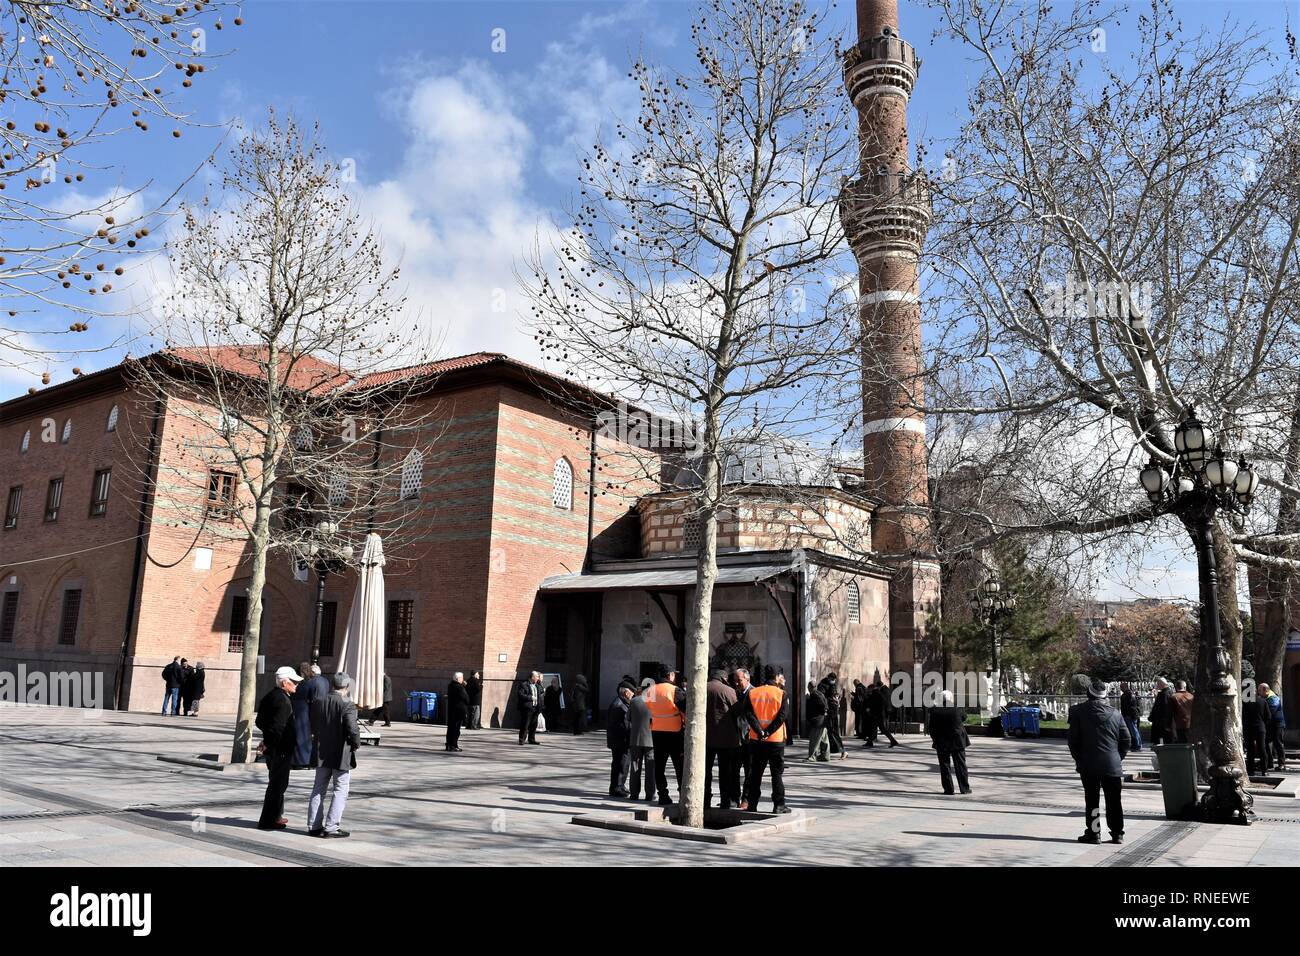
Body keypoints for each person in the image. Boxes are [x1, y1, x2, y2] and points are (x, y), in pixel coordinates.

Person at [1067, 677, 1130, 845]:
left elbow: (1073, 741)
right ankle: (1117, 833)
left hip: (1088, 765)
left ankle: (1094, 834)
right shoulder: (1116, 714)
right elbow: (1126, 740)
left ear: (1088, 693)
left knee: (1092, 800)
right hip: (1112, 764)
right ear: (1104, 696)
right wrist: (1117, 757)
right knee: (1114, 801)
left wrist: (1079, 759)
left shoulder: (1077, 712)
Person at [308, 671, 360, 838]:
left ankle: (314, 825)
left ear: (332, 685)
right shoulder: (347, 704)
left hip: (321, 751)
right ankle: (331, 826)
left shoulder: (318, 701)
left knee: (318, 788)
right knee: (340, 788)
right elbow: (352, 729)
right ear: (345, 686)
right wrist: (356, 743)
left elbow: (313, 724)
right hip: (340, 752)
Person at [737, 665, 791, 813]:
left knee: (755, 774)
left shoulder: (753, 693)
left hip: (757, 739)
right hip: (775, 740)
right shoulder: (781, 693)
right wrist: (769, 731)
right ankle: (779, 805)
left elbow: (748, 714)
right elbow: (782, 717)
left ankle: (752, 803)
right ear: (776, 677)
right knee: (776, 774)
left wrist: (760, 731)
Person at [255, 666, 302, 831]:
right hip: (280, 749)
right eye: (294, 682)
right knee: (277, 785)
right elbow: (277, 728)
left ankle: (275, 816)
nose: (296, 684)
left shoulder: (271, 696)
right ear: (284, 683)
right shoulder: (282, 700)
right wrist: (269, 741)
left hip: (276, 748)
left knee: (277, 784)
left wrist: (266, 739)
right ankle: (268, 821)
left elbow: (260, 721)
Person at [648, 668, 687, 805]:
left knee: (659, 766)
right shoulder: (675, 690)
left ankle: (663, 795)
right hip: (675, 733)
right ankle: (683, 794)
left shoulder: (651, 690)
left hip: (657, 732)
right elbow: (686, 708)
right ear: (670, 675)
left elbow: (648, 709)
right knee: (679, 766)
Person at [704, 669, 741, 808]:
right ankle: (726, 800)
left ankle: (705, 799)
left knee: (705, 771)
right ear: (723, 678)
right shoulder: (728, 690)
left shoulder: (702, 688)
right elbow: (738, 712)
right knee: (725, 772)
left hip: (706, 738)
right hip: (726, 738)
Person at [927, 689, 972, 795]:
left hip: (942, 741)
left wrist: (935, 740)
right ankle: (964, 788)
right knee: (960, 764)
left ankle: (948, 789)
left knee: (944, 765)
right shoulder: (957, 709)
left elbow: (931, 728)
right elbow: (964, 717)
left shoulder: (935, 711)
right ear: (951, 698)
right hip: (957, 741)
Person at [292, 662, 327, 769]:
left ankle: (297, 761)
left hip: (295, 709)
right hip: (305, 710)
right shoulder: (310, 683)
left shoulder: (296, 683)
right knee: (305, 735)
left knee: (297, 735)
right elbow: (312, 698)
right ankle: (306, 760)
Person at [628, 678, 656, 802]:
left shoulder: (634, 701)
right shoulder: (655, 703)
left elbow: (628, 718)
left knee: (635, 767)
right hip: (650, 741)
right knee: (650, 768)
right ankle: (650, 794)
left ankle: (634, 793)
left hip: (635, 740)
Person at [732, 668, 754, 807]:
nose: (736, 683)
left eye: (739, 681)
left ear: (747, 679)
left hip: (749, 738)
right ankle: (734, 798)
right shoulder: (734, 693)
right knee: (733, 769)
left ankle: (746, 799)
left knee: (749, 770)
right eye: (735, 681)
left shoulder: (754, 693)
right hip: (736, 738)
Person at [606, 685, 633, 797]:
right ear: (626, 693)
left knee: (621, 764)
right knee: (621, 764)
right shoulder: (619, 705)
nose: (633, 695)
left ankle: (620, 785)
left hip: (619, 740)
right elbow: (624, 725)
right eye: (632, 692)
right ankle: (617, 787)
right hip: (621, 740)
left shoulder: (621, 703)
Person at [1260, 683, 1288, 772]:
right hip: (1270, 725)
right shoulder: (1265, 698)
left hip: (1278, 724)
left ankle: (1282, 764)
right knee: (1265, 742)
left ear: (1265, 690)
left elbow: (1270, 711)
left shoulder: (1273, 698)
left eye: (1260, 690)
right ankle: (1269, 763)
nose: (1258, 692)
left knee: (1278, 743)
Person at [864, 677, 899, 747]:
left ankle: (892, 741)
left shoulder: (875, 694)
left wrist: (869, 709)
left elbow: (873, 704)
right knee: (877, 729)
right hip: (880, 714)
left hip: (877, 715)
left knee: (877, 729)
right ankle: (892, 741)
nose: (868, 690)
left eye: (869, 689)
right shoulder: (879, 693)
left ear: (872, 688)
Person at [1242, 690, 1270, 777]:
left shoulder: (1246, 703)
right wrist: (1263, 723)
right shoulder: (1263, 701)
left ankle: (1251, 770)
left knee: (1250, 751)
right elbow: (1268, 716)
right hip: (1260, 728)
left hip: (1249, 729)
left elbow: (1244, 716)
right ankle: (1264, 770)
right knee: (1262, 749)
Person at [818, 673, 845, 759]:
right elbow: (823, 697)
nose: (833, 681)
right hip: (829, 710)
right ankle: (828, 751)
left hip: (832, 711)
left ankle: (842, 750)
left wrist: (836, 698)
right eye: (832, 679)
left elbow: (833, 695)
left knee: (832, 731)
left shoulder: (831, 685)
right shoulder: (824, 685)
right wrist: (833, 699)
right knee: (829, 732)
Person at [804, 680, 829, 762]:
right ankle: (825, 756)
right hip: (822, 721)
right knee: (824, 739)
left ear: (810, 687)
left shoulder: (815, 695)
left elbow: (823, 706)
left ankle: (812, 757)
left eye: (808, 687)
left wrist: (822, 712)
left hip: (817, 721)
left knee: (814, 740)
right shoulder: (820, 694)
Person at [445, 672, 469, 752]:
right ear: (458, 679)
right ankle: (453, 745)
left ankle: (448, 744)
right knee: (456, 729)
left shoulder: (450, 686)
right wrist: (464, 687)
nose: (463, 679)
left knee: (450, 728)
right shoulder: (460, 687)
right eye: (462, 678)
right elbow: (466, 698)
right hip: (458, 711)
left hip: (451, 710)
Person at [518, 671, 542, 745]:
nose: (538, 678)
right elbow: (520, 695)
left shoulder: (537, 685)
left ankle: (531, 739)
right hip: (527, 708)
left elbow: (540, 694)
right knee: (525, 724)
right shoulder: (524, 684)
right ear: (532, 677)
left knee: (533, 725)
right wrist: (530, 697)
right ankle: (522, 740)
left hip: (536, 708)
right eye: (537, 676)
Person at [1119, 682, 1143, 752]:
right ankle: (1135, 745)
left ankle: (1138, 745)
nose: (1120, 688)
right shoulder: (1129, 694)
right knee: (1133, 731)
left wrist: (1130, 715)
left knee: (1134, 731)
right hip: (1130, 715)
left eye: (1121, 687)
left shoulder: (1128, 695)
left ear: (1125, 687)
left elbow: (1132, 707)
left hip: (1130, 716)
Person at [1148, 678, 1171, 746]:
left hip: (1160, 721)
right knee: (1163, 739)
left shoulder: (1164, 694)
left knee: (1160, 739)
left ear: (1162, 684)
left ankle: (1161, 753)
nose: (1157, 685)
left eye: (1158, 684)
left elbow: (1162, 708)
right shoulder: (1167, 692)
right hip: (1162, 721)